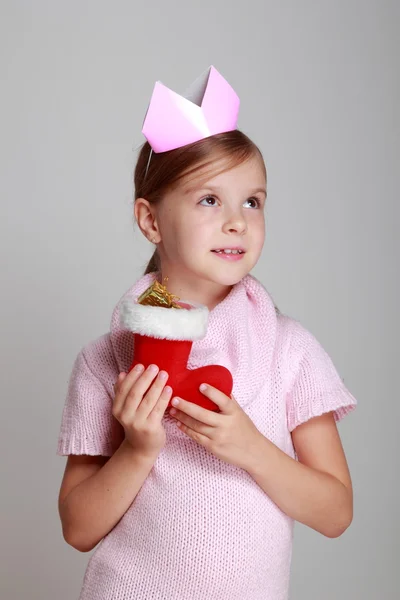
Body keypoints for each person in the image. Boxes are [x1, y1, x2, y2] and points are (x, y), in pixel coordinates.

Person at [56, 66, 357, 600]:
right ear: (151, 222)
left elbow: (335, 514)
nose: (238, 221)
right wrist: (138, 449)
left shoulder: (289, 352)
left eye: (253, 201)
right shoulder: (105, 361)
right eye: (210, 200)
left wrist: (250, 448)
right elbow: (78, 529)